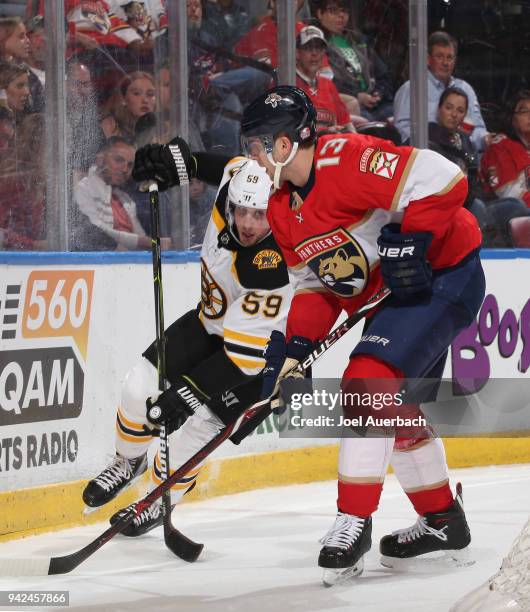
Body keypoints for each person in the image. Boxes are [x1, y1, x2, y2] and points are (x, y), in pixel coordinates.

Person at [132, 86, 486, 584]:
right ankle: (444, 520)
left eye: (255, 144)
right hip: (392, 293)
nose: (250, 156)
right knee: (386, 403)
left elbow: (446, 177)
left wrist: (413, 240)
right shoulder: (280, 207)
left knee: (366, 385)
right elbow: (314, 283)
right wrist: (293, 353)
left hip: (445, 273)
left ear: (282, 144)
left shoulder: (348, 159)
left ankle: (354, 520)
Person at [82, 157, 293, 536]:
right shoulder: (236, 181)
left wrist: (186, 395)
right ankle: (128, 462)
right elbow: (225, 166)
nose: (247, 223)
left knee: (196, 434)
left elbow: (238, 361)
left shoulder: (272, 268)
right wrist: (181, 162)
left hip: (252, 358)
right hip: (206, 324)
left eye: (259, 215)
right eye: (242, 211)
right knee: (137, 388)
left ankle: (159, 500)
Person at [394, 31, 490, 152]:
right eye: (439, 57)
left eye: (449, 57)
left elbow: (478, 129)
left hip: (463, 154)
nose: (445, 63)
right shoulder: (411, 89)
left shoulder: (465, 89)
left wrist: (486, 139)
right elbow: (403, 133)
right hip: (426, 156)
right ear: (428, 59)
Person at [310, 0, 394, 122]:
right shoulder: (317, 45)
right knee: (371, 124)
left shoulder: (359, 41)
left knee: (400, 116)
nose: (341, 15)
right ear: (319, 14)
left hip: (376, 104)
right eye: (333, 11)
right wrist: (357, 96)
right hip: (347, 104)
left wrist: (379, 92)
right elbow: (324, 82)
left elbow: (384, 75)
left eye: (343, 11)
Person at [71, 135, 153, 250]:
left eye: (130, 165)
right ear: (100, 160)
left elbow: (143, 239)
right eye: (119, 160)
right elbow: (94, 232)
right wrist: (141, 241)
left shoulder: (125, 198)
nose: (125, 169)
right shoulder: (83, 189)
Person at [295, 25, 355, 133]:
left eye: (319, 48)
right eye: (308, 48)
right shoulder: (288, 83)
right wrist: (323, 132)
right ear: (297, 52)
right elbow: (286, 133)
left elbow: (346, 123)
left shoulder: (328, 85)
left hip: (333, 146)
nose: (314, 54)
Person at [480, 90, 530, 209]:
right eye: (524, 111)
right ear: (511, 117)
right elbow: (508, 195)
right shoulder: (500, 146)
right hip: (503, 214)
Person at [101, 70, 156, 140]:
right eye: (137, 93)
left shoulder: (162, 128)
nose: (145, 100)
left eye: (150, 94)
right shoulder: (110, 126)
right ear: (123, 99)